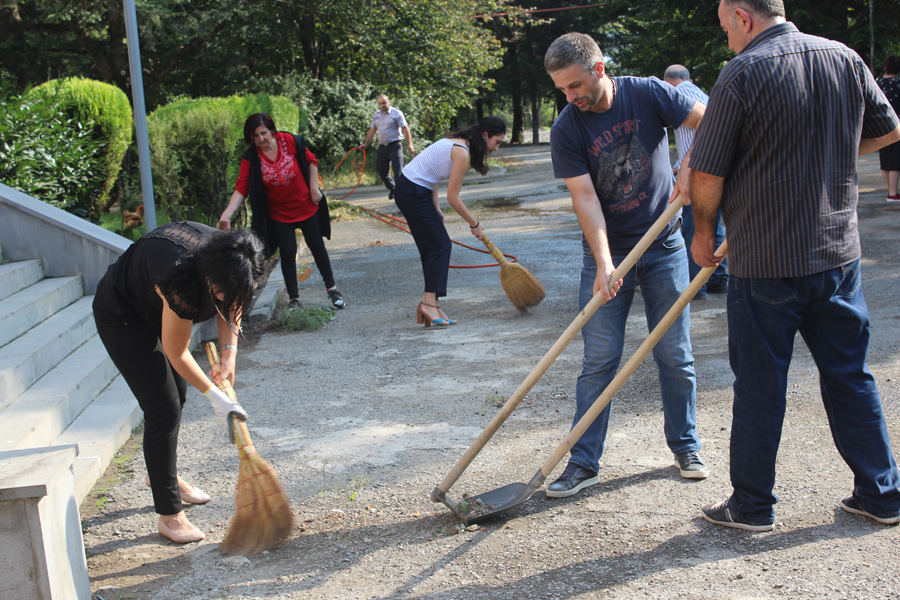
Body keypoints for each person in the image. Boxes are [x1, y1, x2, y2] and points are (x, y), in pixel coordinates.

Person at [690, 0, 900, 530]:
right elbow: (889, 129)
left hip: (765, 258)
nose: (728, 41)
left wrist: (702, 231)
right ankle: (883, 494)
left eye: (726, 29)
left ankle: (753, 506)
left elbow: (708, 171)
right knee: (850, 375)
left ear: (743, 16)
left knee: (761, 384)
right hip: (837, 254)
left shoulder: (741, 72)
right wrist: (829, 154)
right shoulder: (844, 57)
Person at [543, 32, 709, 499]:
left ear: (599, 69)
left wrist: (688, 167)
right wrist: (603, 262)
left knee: (675, 354)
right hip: (606, 253)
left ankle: (686, 445)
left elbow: (710, 121)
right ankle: (583, 462)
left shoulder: (648, 92)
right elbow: (585, 199)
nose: (569, 97)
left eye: (574, 86)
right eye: (562, 90)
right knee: (598, 360)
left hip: (664, 247)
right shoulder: (567, 128)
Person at [93, 222, 264, 543]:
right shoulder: (182, 277)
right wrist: (216, 397)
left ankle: (162, 476)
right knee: (163, 406)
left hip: (154, 305)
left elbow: (232, 306)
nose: (235, 297)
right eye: (228, 290)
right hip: (123, 315)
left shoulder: (231, 255)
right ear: (211, 279)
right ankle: (169, 515)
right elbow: (176, 351)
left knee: (178, 393)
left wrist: (230, 354)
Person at [219, 113, 345, 310]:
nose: (261, 139)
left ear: (272, 131)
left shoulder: (290, 141)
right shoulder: (252, 157)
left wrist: (314, 188)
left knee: (317, 246)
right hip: (279, 213)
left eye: (264, 133)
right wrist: (227, 214)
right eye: (255, 136)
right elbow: (242, 187)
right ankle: (294, 300)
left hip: (306, 204)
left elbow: (312, 161)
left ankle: (332, 290)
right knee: (287, 252)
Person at [393, 116, 505, 326]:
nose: (496, 149)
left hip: (415, 189)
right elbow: (453, 197)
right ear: (485, 135)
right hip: (411, 191)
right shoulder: (461, 152)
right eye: (496, 142)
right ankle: (428, 302)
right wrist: (474, 223)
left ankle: (432, 303)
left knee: (433, 246)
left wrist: (435, 207)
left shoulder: (458, 142)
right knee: (440, 245)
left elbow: (431, 174)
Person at [663, 65, 727, 297]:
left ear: (669, 83)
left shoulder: (678, 96)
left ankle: (693, 285)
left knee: (691, 227)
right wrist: (680, 164)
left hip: (699, 174)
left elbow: (706, 130)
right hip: (715, 171)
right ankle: (717, 278)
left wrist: (686, 169)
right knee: (714, 225)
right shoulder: (703, 96)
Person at [359, 95, 416, 199]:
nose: (382, 105)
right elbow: (372, 130)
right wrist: (366, 144)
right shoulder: (377, 115)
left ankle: (400, 194)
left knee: (397, 170)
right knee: (381, 170)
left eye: (384, 103)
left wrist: (410, 144)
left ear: (389, 101)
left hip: (395, 145)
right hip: (382, 147)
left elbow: (405, 129)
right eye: (380, 103)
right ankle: (392, 187)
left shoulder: (396, 113)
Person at [877, 54, 900, 201]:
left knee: (885, 159)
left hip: (880, 126)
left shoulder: (878, 84)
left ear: (885, 68)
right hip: (897, 126)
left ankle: (891, 191)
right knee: (896, 160)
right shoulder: (899, 84)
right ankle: (893, 193)